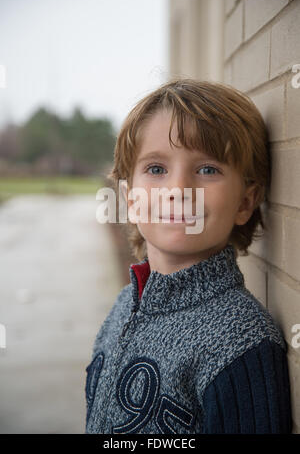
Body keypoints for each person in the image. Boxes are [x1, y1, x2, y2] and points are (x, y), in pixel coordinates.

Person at [85, 79, 292, 434]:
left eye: (207, 169)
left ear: (245, 201)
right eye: (156, 169)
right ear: (130, 199)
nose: (178, 190)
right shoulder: (124, 305)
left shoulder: (240, 342)